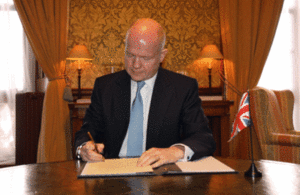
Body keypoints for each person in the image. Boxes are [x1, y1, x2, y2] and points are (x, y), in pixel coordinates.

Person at [74, 18, 216, 168]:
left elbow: (203, 138)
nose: (135, 64)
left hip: (161, 175)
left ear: (162, 56)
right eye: (130, 55)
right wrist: (83, 148)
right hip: (112, 171)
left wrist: (174, 151)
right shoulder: (105, 86)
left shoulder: (182, 88)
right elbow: (87, 131)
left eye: (145, 58)